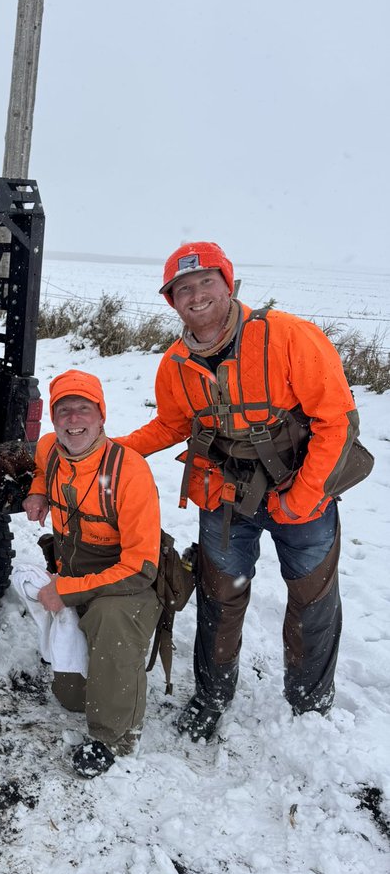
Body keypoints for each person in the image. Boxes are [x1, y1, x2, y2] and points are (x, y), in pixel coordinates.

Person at [113, 240, 361, 742]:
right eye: (183, 288)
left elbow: (337, 422)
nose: (196, 295)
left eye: (207, 281)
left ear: (229, 284)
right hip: (225, 495)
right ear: (172, 302)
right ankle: (211, 696)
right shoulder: (176, 363)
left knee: (313, 599)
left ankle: (309, 704)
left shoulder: (290, 337)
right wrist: (112, 451)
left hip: (302, 492)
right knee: (218, 597)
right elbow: (171, 424)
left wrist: (305, 495)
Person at [21, 370, 162, 778]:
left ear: (102, 417)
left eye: (84, 408)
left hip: (127, 583)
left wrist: (66, 591)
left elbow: (141, 567)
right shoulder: (50, 448)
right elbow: (41, 464)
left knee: (110, 618)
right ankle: (92, 668)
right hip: (76, 575)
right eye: (63, 410)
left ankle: (116, 736)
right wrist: (37, 488)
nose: (73, 419)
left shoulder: (129, 471)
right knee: (71, 699)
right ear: (53, 419)